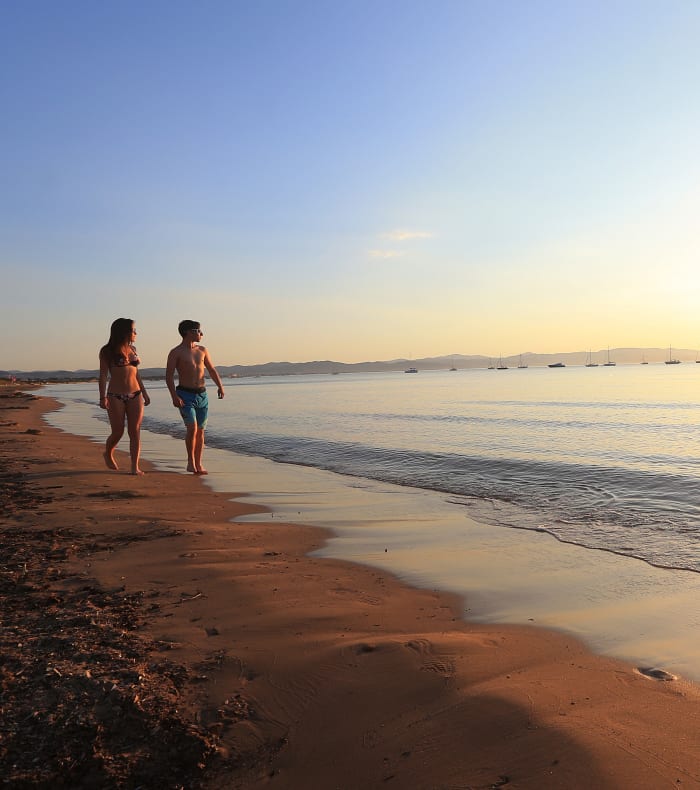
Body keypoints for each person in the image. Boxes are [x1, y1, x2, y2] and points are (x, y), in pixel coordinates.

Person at [166, 320, 224, 474]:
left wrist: (220, 386)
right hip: (185, 395)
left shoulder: (202, 350)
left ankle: (199, 463)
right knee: (192, 427)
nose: (201, 334)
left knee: (201, 430)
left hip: (202, 395)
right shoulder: (176, 352)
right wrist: (174, 396)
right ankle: (190, 462)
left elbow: (211, 369)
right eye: (198, 331)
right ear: (188, 332)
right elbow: (169, 376)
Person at [98, 318, 150, 475]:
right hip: (115, 395)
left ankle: (135, 467)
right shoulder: (107, 351)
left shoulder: (133, 349)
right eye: (133, 330)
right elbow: (103, 375)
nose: (136, 333)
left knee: (135, 431)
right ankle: (108, 453)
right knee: (118, 431)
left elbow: (136, 373)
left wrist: (144, 392)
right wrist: (102, 397)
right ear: (124, 332)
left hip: (135, 394)